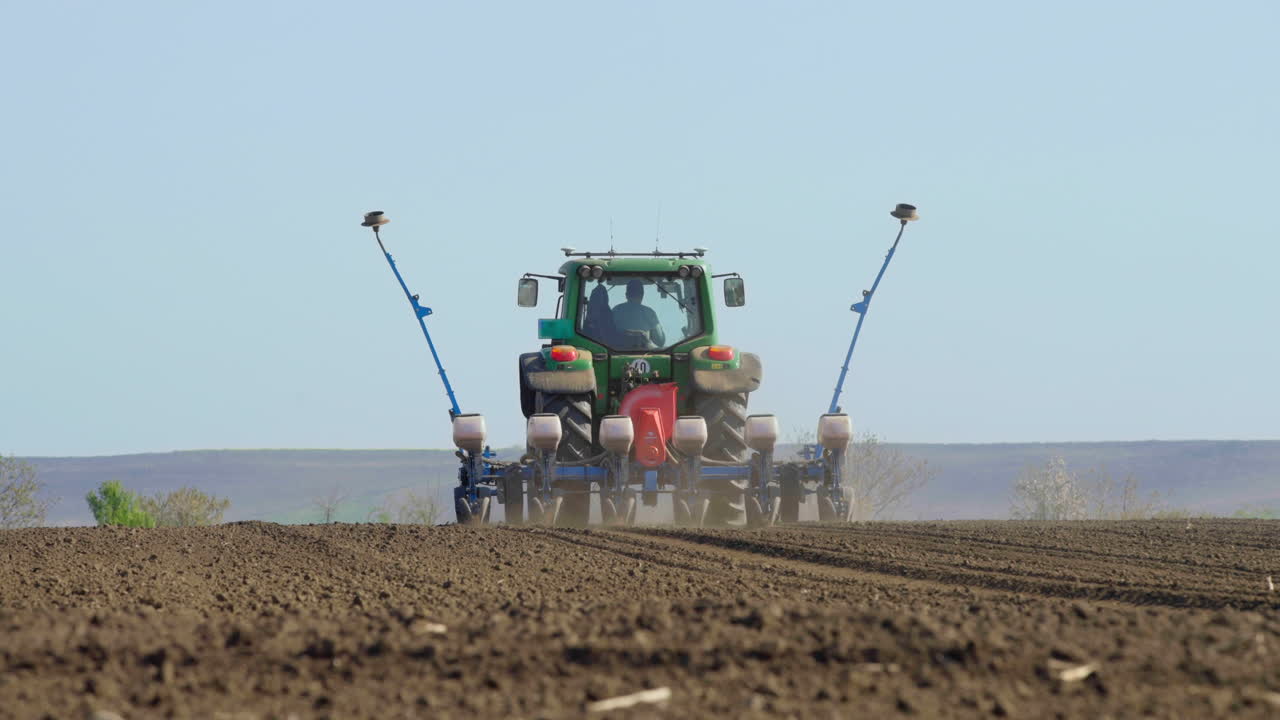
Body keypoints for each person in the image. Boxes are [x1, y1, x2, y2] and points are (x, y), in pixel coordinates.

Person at [612, 278, 666, 348]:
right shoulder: (649, 312)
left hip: (617, 352)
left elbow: (609, 334)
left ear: (626, 295)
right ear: (642, 295)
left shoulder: (615, 310)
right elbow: (660, 341)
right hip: (643, 353)